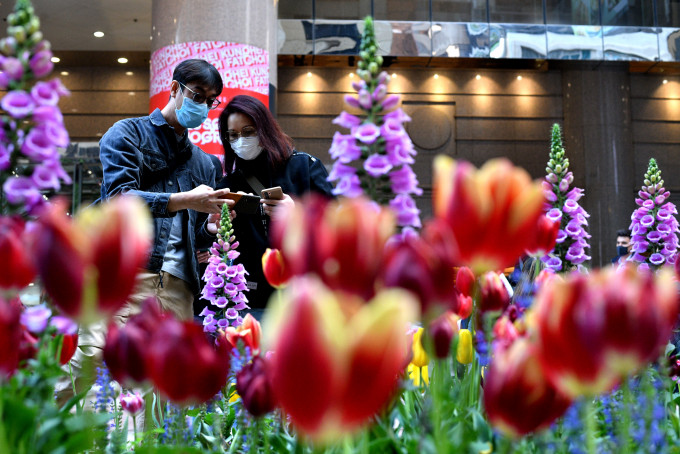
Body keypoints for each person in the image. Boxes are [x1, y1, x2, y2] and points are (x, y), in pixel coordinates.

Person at [57, 59, 232, 402]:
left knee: (161, 388)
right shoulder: (127, 134)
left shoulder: (207, 164)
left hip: (179, 289)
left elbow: (193, 234)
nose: (203, 106)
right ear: (174, 89)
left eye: (211, 100)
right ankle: (41, 438)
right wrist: (183, 199)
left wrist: (211, 229)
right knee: (88, 361)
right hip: (126, 277)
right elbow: (119, 198)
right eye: (197, 95)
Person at [216, 95, 334, 317]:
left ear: (265, 129)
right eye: (233, 135)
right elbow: (212, 240)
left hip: (306, 293)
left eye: (249, 131)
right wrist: (213, 228)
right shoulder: (229, 183)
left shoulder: (304, 167)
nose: (241, 139)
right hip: (250, 298)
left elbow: (336, 226)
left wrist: (298, 215)